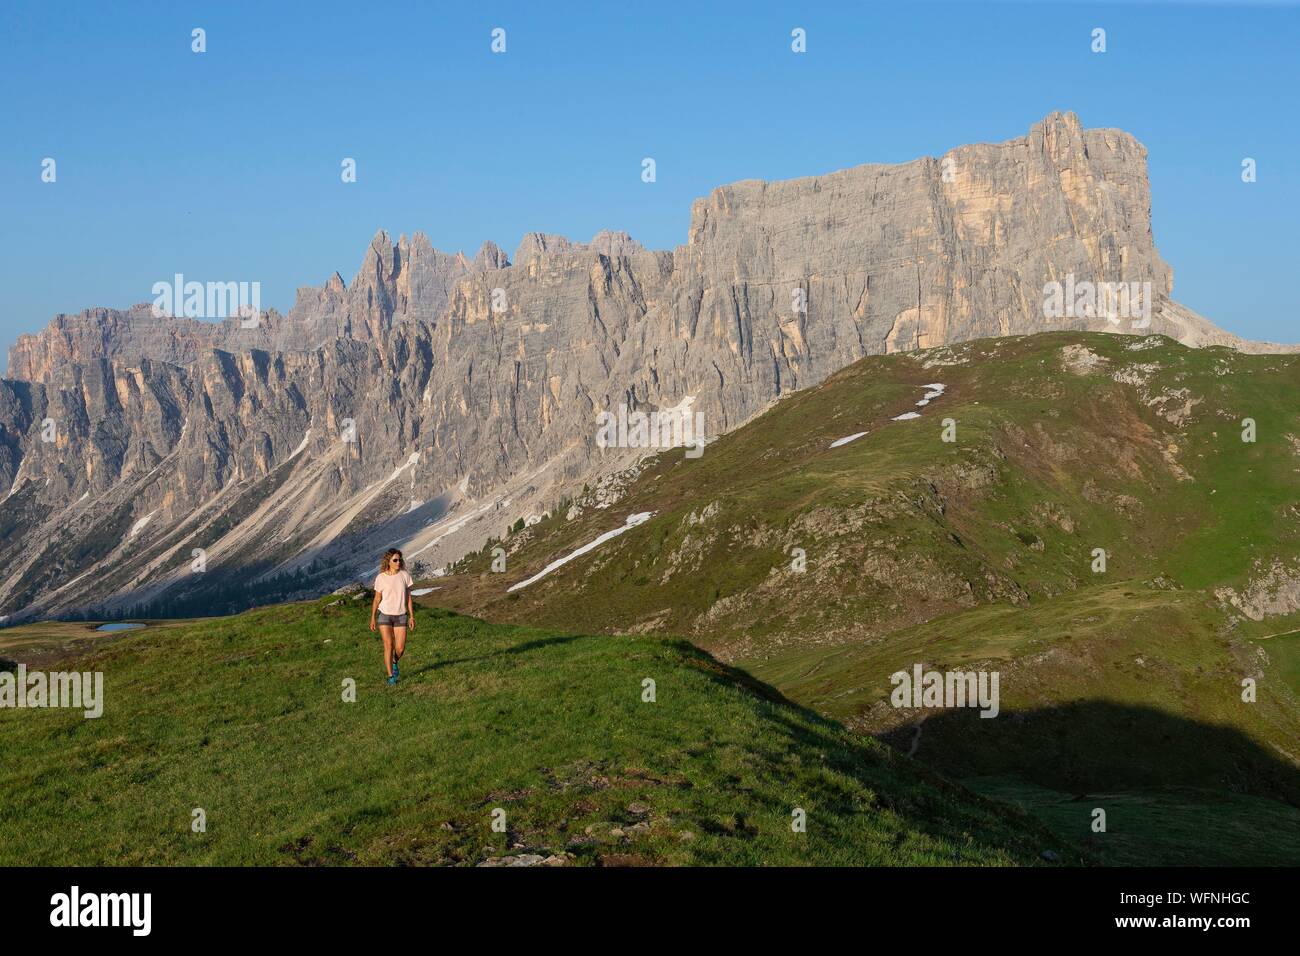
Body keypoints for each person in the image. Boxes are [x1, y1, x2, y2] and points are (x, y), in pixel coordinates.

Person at [370, 548, 415, 685]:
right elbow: (377, 599)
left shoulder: (404, 575)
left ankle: (394, 661)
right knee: (388, 645)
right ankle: (391, 677)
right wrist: (372, 617)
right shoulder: (381, 578)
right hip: (385, 616)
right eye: (395, 560)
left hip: (401, 615)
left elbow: (408, 597)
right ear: (388, 562)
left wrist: (412, 616)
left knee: (400, 648)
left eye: (399, 559)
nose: (398, 562)